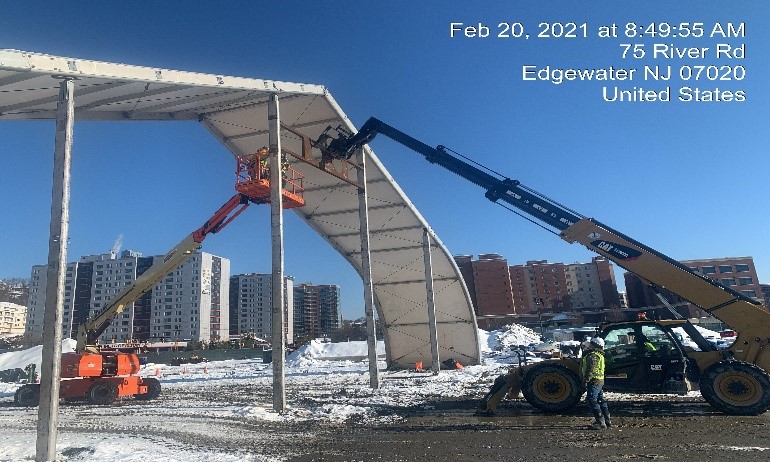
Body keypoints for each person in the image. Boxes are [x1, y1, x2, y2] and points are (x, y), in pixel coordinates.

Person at [580, 336, 611, 429]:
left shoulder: (593, 355)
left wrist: (586, 380)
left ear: (594, 345)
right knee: (600, 399)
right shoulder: (599, 354)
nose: (588, 345)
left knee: (592, 400)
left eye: (590, 344)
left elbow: (591, 369)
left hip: (594, 381)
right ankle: (607, 420)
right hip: (599, 380)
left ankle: (601, 423)